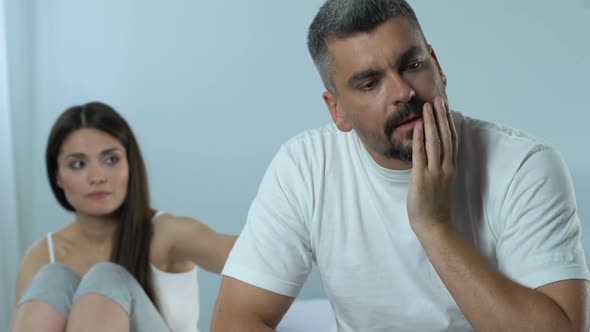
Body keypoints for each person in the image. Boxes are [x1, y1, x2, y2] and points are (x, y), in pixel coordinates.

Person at [211, 1, 590, 331]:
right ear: (337, 109)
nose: (403, 92)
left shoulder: (525, 167)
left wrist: (434, 227)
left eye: (412, 64)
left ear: (437, 66)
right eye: (370, 83)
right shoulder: (305, 167)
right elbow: (236, 320)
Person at [9, 102, 236, 332]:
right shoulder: (41, 256)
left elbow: (248, 256)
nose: (97, 177)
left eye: (110, 160)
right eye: (78, 164)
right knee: (52, 278)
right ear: (57, 177)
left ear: (130, 163)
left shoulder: (168, 234)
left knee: (107, 277)